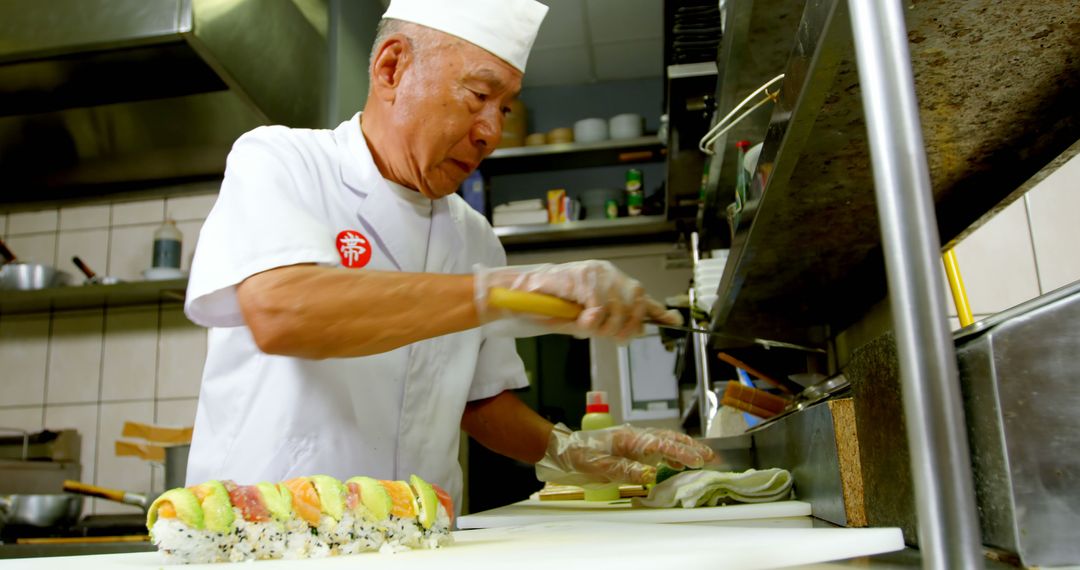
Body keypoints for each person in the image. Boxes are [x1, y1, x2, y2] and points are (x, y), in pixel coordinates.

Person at [183, 0, 714, 511]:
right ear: (392, 68)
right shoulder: (284, 161)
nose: (492, 131)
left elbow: (479, 401)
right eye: (478, 95)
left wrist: (570, 450)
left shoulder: (474, 236)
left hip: (419, 539)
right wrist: (495, 295)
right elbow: (283, 312)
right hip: (266, 537)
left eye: (504, 107)